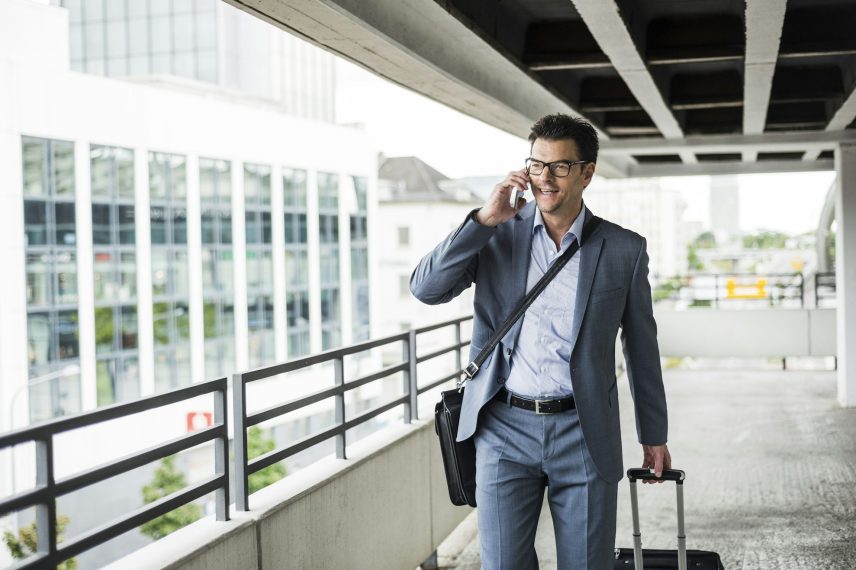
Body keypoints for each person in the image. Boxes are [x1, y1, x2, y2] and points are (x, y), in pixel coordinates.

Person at [410, 113, 671, 569]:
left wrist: (654, 435)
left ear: (587, 173)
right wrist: (484, 219)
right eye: (535, 165)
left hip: (584, 431)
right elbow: (426, 289)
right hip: (502, 429)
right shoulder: (495, 234)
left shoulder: (624, 249)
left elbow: (641, 347)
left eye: (560, 167)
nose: (544, 179)